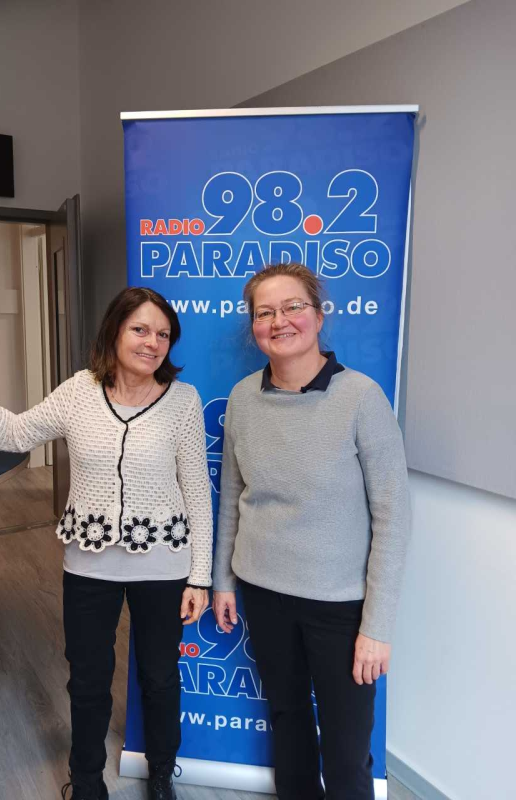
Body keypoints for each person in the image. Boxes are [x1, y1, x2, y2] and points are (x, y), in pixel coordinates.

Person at [0, 286, 213, 800]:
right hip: (89, 565)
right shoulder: (78, 392)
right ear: (114, 331)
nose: (152, 343)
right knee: (87, 679)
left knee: (160, 677)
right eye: (140, 329)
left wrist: (199, 576)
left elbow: (197, 490)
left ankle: (161, 774)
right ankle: (87, 782)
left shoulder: (183, 401)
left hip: (164, 565)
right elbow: (14, 433)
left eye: (162, 334)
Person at [212, 263, 410, 800]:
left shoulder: (361, 398)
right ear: (253, 326)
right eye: (264, 313)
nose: (279, 321)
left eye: (293, 307)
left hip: (340, 607)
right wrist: (224, 581)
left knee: (346, 751)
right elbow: (232, 495)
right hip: (263, 592)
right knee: (288, 721)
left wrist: (377, 626)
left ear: (319, 316)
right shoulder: (242, 398)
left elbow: (393, 516)